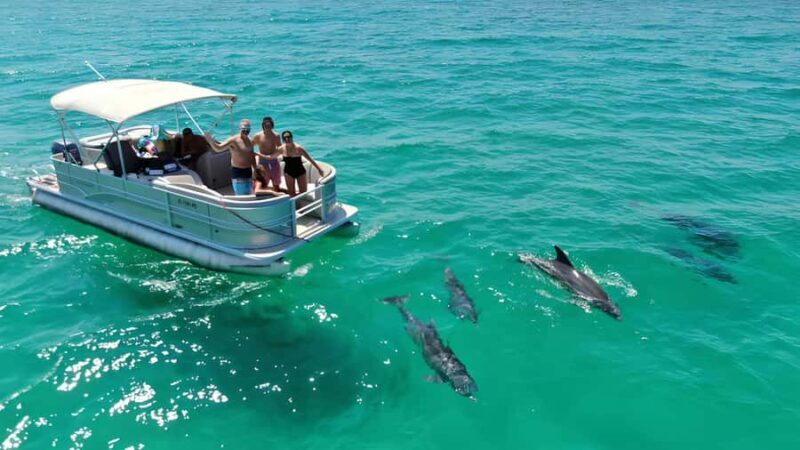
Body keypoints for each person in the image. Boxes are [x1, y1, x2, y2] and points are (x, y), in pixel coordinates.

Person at [204, 119, 257, 196]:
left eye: (247, 129)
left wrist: (255, 170)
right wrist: (211, 142)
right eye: (244, 129)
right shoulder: (233, 140)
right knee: (241, 197)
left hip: (248, 171)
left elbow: (252, 156)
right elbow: (218, 148)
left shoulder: (250, 140)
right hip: (238, 172)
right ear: (240, 129)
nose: (246, 131)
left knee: (249, 194)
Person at [278, 130, 325, 196]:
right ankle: (295, 205)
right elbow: (271, 157)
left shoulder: (299, 148)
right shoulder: (281, 149)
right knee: (291, 194)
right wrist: (260, 156)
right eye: (284, 138)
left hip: (300, 172)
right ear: (283, 139)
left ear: (292, 137)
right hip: (288, 172)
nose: (287, 139)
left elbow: (310, 159)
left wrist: (319, 169)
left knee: (303, 192)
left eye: (288, 137)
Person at [252, 117, 283, 191]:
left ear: (272, 125)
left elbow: (280, 149)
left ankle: (277, 199)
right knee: (263, 185)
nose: (267, 126)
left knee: (276, 185)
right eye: (265, 124)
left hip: (274, 162)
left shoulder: (276, 136)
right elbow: (250, 147)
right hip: (262, 164)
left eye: (269, 125)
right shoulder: (258, 136)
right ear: (263, 125)